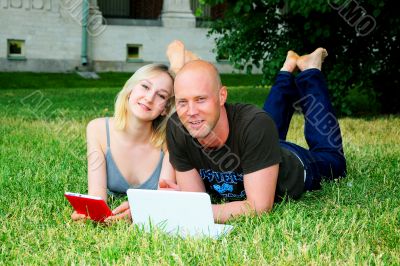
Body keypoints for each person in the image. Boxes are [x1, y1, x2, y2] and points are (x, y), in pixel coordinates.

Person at [166, 45, 347, 223]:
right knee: (262, 124)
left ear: (222, 96)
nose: (191, 111)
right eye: (182, 102)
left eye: (200, 99)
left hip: (293, 163)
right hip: (258, 150)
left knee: (335, 162)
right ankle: (286, 70)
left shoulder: (255, 124)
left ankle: (310, 71)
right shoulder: (177, 127)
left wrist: (191, 212)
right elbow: (196, 201)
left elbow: (258, 207)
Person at [71, 63, 177, 221]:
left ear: (165, 109)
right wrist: (89, 212)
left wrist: (139, 212)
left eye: (161, 96)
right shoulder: (98, 129)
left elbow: (164, 200)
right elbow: (97, 195)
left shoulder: (170, 141)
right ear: (130, 89)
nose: (149, 98)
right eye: (145, 87)